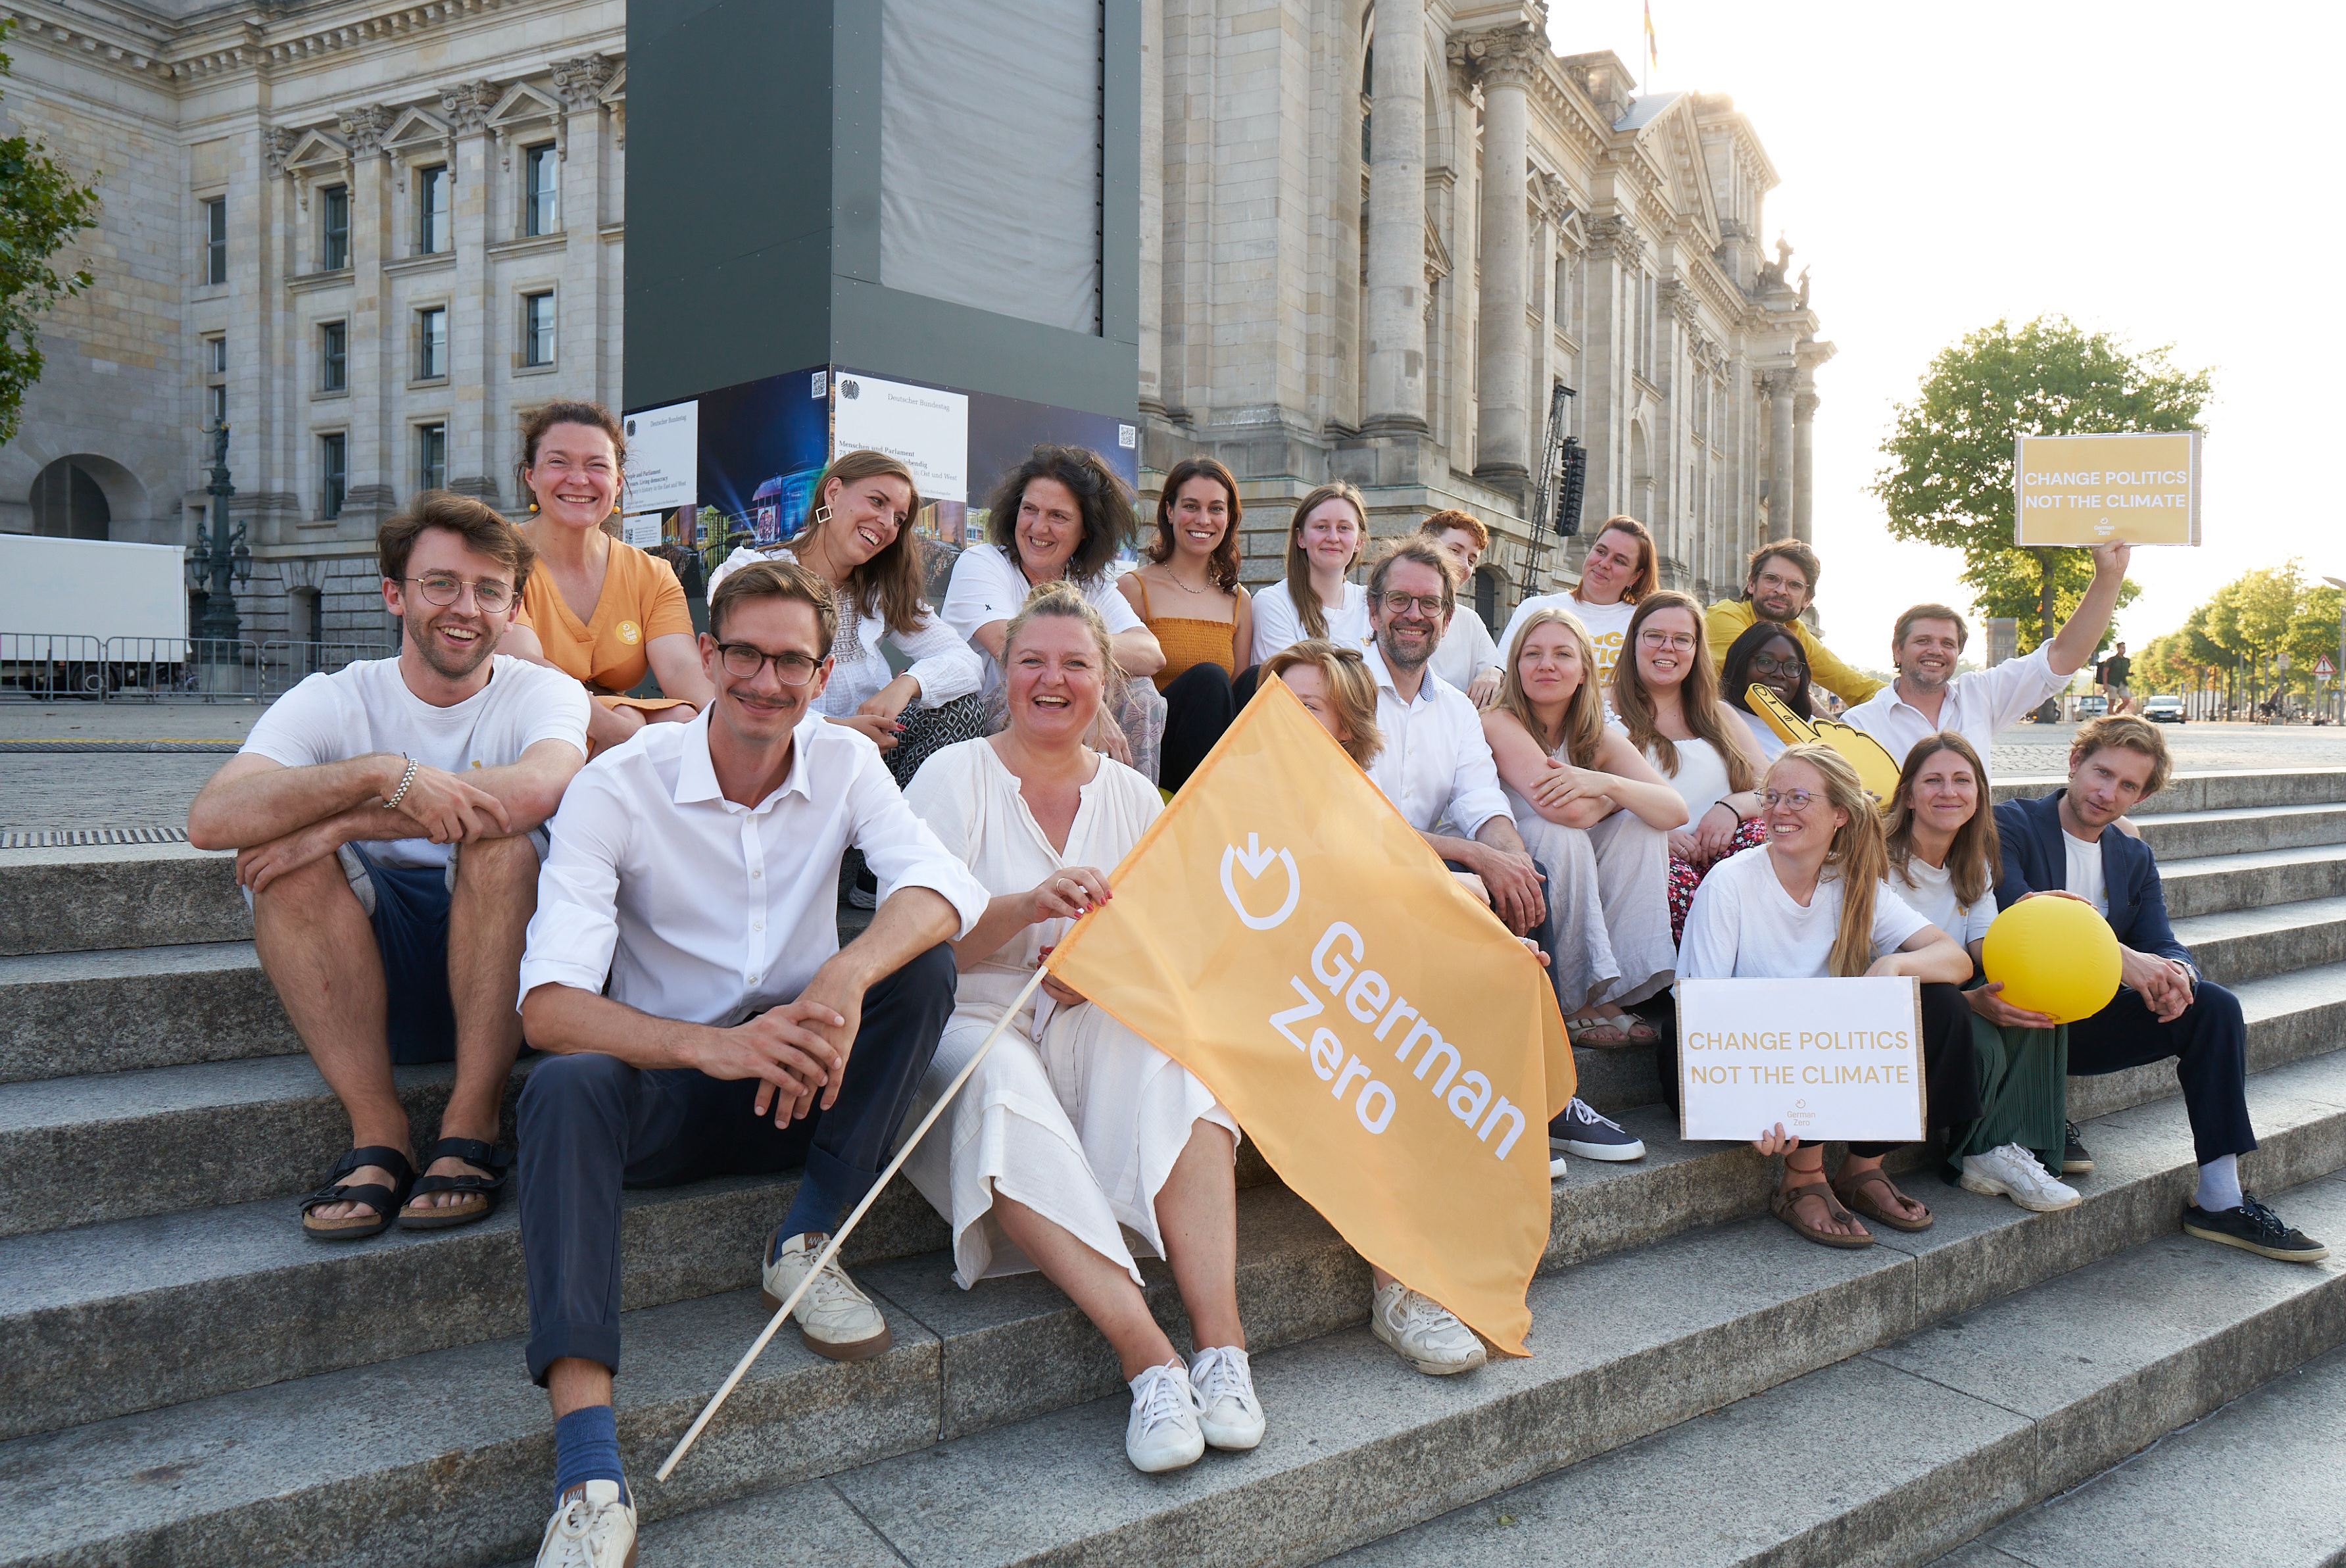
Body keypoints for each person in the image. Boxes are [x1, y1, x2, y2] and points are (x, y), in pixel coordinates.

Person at [510, 559, 986, 1567]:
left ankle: (809, 1236)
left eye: (793, 663)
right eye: (748, 657)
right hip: (672, 1093)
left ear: (822, 676)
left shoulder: (848, 764)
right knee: (563, 1084)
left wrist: (845, 979)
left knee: (918, 968)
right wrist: (711, 1046)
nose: (768, 682)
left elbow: (942, 890)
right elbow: (549, 1006)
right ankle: (589, 1468)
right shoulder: (619, 786)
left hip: (799, 1084)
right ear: (711, 659)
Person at [895, 583, 1261, 1472]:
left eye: (1074, 664)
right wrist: (1024, 910)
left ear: (1105, 681)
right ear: (1004, 676)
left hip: (1088, 1013)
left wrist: (1107, 972)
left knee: (1182, 1063)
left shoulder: (1136, 795)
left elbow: (1164, 946)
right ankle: (1151, 1361)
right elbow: (919, 953)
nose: (1052, 680)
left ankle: (1223, 1351)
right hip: (970, 1013)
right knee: (998, 1084)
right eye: (1033, 662)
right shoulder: (954, 775)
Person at [187, 492, 587, 1240]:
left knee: (499, 842)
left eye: (488, 589)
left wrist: (340, 821)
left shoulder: (546, 691)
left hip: (512, 989)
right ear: (394, 594)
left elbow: (540, 786)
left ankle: (472, 1121)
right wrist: (378, 771)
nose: (464, 607)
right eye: (441, 583)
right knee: (284, 865)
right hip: (366, 985)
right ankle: (380, 1132)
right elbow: (213, 818)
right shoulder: (335, 697)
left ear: (513, 608)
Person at [1261, 636, 1561, 1379]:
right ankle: (1403, 1282)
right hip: (1269, 991)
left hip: (1337, 988)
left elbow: (1403, 896)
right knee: (1376, 1048)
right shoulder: (1236, 789)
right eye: (1277, 704)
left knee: (1465, 981)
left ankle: (1431, 1257)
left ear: (1345, 726)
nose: (1287, 720)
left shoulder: (1353, 801)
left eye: (1307, 708)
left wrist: (1488, 948)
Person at [1355, 538, 1646, 1167]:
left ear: (1449, 619)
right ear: (1373, 611)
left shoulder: (1458, 708)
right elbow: (1346, 815)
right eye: (1399, 600)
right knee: (1491, 872)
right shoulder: (1340, 684)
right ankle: (1519, 1103)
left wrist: (1509, 859)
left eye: (1429, 603)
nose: (1414, 614)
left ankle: (1541, 1099)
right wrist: (1477, 855)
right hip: (1351, 870)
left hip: (1429, 866)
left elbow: (1483, 802)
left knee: (1526, 871)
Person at [1995, 716, 2328, 1263]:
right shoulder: (2012, 824)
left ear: (2142, 795)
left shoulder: (2132, 856)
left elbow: (2163, 941)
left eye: (2129, 786)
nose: (2109, 793)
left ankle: (2220, 1198)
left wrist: (2178, 978)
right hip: (2013, 1016)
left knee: (2213, 1005)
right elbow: (2019, 907)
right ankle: (2041, 1109)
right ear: (2075, 762)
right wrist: (2120, 958)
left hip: (2086, 1027)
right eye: (2102, 772)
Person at [1678, 744, 1975, 1248]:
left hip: (1807, 1053)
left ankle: (1862, 1167)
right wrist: (1743, 1103)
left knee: (1942, 1005)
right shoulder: (1731, 882)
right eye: (1770, 796)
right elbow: (1703, 1014)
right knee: (1808, 1021)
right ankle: (1802, 1179)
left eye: (1798, 797)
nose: (1778, 810)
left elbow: (1956, 959)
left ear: (1840, 813)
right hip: (1726, 1056)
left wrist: (1894, 963)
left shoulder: (1854, 881)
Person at [705, 449, 986, 787]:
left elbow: (966, 662)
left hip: (873, 758)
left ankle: (903, 830)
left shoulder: (879, 590)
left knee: (961, 708)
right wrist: (839, 731)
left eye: (899, 518)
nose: (887, 524)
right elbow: (742, 693)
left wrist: (907, 685)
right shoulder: (754, 574)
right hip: (790, 756)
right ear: (834, 493)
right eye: (877, 502)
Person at [1882, 733, 2080, 1212]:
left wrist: (2030, 917)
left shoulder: (1974, 862)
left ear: (1979, 794)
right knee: (1977, 1027)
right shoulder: (1878, 855)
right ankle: (1978, 1151)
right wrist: (1971, 999)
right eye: (1933, 779)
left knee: (2032, 994)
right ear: (1908, 794)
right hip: (1890, 993)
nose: (1948, 791)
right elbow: (1870, 962)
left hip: (1948, 984)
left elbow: (1985, 948)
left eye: (1961, 780)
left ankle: (2015, 1146)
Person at [1483, 608, 1684, 1050]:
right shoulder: (1500, 722)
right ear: (1516, 667)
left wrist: (1606, 783)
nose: (1546, 664)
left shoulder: (1597, 736)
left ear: (1583, 671)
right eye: (1532, 654)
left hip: (1568, 857)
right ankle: (1571, 997)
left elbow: (1674, 810)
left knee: (1643, 829)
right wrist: (1616, 796)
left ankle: (1609, 991)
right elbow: (1566, 813)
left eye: (1562, 654)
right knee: (1566, 834)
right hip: (1510, 856)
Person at [1608, 590, 1771, 1113]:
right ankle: (1704, 1004)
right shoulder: (1604, 710)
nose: (1667, 648)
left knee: (1770, 833)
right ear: (1634, 642)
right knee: (1669, 871)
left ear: (1697, 648)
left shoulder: (1716, 713)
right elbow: (1593, 790)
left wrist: (1730, 806)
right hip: (1652, 855)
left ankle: (1766, 978)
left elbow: (1773, 786)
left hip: (1721, 852)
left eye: (1682, 638)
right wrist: (1657, 824)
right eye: (1654, 635)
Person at [943, 445, 1166, 776]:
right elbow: (1014, 651)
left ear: (1086, 529)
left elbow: (1151, 653)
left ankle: (1132, 813)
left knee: (1142, 694)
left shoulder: (1091, 583)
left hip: (1062, 702)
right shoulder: (983, 563)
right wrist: (1085, 691)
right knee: (1036, 687)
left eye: (1058, 516)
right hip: (985, 719)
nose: (1038, 527)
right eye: (1030, 509)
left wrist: (1084, 676)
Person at [499, 400, 709, 753]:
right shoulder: (497, 558)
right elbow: (526, 669)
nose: (579, 479)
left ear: (618, 482)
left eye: (597, 465)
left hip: (614, 731)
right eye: (558, 462)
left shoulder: (653, 574)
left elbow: (681, 668)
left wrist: (725, 722)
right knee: (645, 720)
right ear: (531, 476)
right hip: (522, 720)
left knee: (685, 717)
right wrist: (624, 732)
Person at [1845, 543, 2132, 766]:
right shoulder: (1860, 725)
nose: (1936, 650)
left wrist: (2109, 576)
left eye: (1948, 643)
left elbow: (2062, 657)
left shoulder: (1980, 697)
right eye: (1923, 641)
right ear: (1897, 649)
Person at [1117, 456, 1252, 791]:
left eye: (1216, 509)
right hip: (1156, 749)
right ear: (1169, 512)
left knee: (1257, 679)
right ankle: (1206, 804)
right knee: (1208, 677)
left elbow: (1235, 698)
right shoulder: (1134, 589)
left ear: (1229, 518)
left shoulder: (1239, 600)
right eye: (1191, 506)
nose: (1203, 520)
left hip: (1216, 751)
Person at [1702, 539, 1883, 709]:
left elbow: (1851, 684)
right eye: (1772, 579)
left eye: (1794, 585)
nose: (1781, 591)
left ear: (1806, 600)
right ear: (1751, 584)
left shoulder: (1794, 630)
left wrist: (1903, 694)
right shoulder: (1725, 615)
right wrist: (1830, 726)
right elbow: (1758, 684)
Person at [1499, 515, 1657, 686]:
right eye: (1601, 552)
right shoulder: (1536, 608)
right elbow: (1502, 672)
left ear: (1635, 576)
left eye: (1619, 560)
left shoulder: (1645, 622)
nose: (1604, 563)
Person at [1250, 481, 1369, 666]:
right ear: (1301, 538)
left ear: (1359, 542)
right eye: (1321, 527)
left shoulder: (1371, 604)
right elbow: (1290, 688)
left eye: (1344, 528)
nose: (1333, 538)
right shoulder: (1274, 603)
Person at [1417, 508, 1507, 704]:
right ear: (1425, 545)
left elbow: (1495, 669)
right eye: (1454, 550)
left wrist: (1493, 672)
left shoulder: (1470, 620)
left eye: (1471, 560)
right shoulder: (1385, 605)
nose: (1464, 565)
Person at [1718, 619, 1818, 756]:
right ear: (1741, 664)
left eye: (1792, 666)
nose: (1780, 674)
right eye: (1765, 662)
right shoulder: (1713, 723)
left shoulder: (1814, 731)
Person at [2098, 641, 2137, 716]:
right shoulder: (2112, 660)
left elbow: (2125, 671)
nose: (2124, 650)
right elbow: (2105, 672)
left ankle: (2116, 714)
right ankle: (2110, 717)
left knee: (2126, 700)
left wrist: (2129, 674)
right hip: (2112, 683)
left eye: (2125, 648)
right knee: (2112, 702)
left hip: (2122, 683)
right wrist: (2105, 684)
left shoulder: (2126, 661)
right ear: (2118, 649)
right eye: (2122, 648)